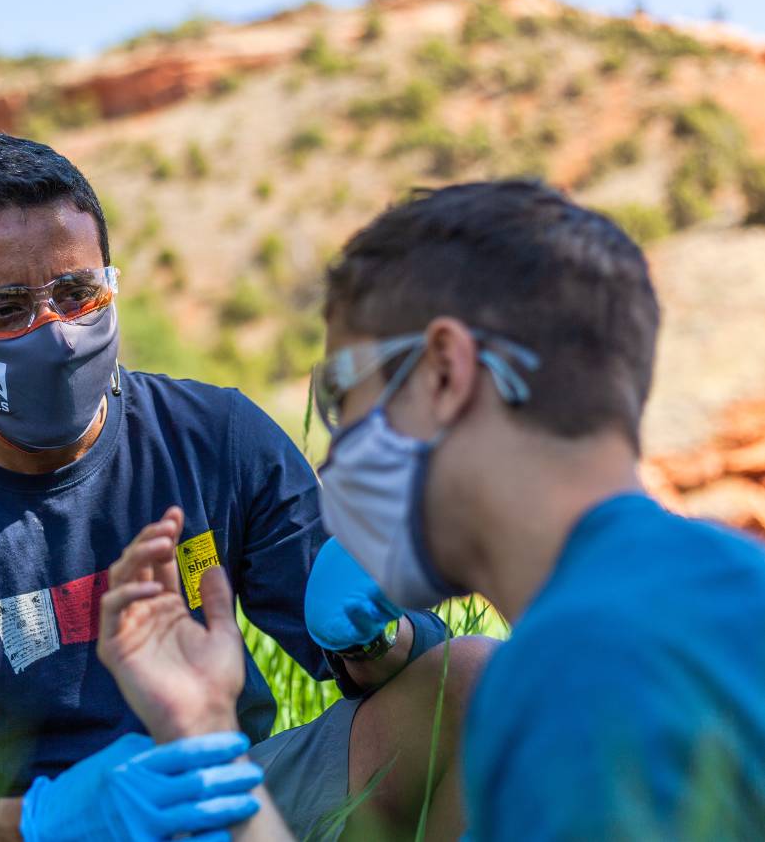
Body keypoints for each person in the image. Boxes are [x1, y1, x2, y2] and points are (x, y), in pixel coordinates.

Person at [0, 132, 492, 842]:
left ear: (111, 284)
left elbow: (408, 679)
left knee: (473, 680)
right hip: (28, 830)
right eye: (5, 309)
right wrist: (43, 820)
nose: (57, 333)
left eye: (77, 294)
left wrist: (374, 633)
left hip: (224, 795)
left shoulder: (217, 436)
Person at [100, 179, 765, 840]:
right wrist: (205, 727)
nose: (336, 455)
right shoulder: (726, 584)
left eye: (342, 397)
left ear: (444, 374)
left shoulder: (577, 678)